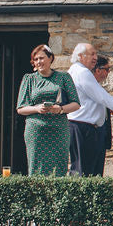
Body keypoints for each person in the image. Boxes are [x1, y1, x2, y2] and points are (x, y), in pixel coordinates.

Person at [68, 44, 113, 176]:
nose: (95, 58)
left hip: (83, 126)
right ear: (81, 56)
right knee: (84, 171)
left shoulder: (74, 70)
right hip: (83, 127)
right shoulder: (82, 72)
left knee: (85, 170)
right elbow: (102, 96)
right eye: (92, 54)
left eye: (95, 54)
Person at [16, 44, 80, 176]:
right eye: (36, 59)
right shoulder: (29, 79)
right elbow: (20, 109)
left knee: (59, 168)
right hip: (36, 131)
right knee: (36, 168)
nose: (39, 62)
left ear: (50, 58)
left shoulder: (64, 77)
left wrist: (60, 109)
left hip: (58, 130)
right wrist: (36, 108)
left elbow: (76, 104)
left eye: (42, 58)